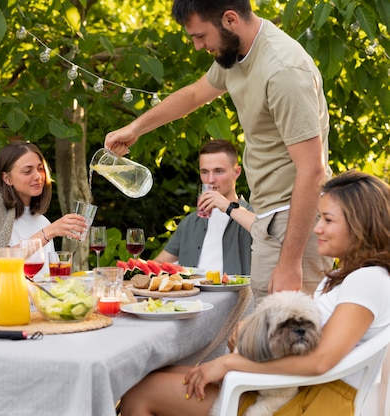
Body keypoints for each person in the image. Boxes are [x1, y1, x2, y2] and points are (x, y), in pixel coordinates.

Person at [105, 0, 333, 302]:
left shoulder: (283, 70)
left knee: (287, 341)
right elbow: (195, 94)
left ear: (230, 19)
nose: (199, 46)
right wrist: (135, 129)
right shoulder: (236, 55)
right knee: (266, 338)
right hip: (269, 216)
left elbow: (312, 169)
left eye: (201, 36)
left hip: (293, 222)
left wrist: (290, 262)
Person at [119, 170, 390, 416]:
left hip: (307, 401)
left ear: (361, 225)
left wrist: (228, 363)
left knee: (139, 393)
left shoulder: (368, 280)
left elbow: (320, 361)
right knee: (153, 374)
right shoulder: (349, 277)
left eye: (328, 220)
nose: (317, 228)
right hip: (291, 387)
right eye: (320, 219)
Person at [0, 141, 87, 293]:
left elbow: (51, 280)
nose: (38, 176)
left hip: (40, 307)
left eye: (40, 169)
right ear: (7, 178)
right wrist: (49, 232)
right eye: (27, 171)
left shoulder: (42, 220)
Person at [153, 139, 253, 275]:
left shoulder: (251, 214)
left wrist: (227, 206)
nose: (210, 179)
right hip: (191, 294)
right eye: (204, 172)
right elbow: (158, 264)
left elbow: (265, 230)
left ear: (236, 172)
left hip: (238, 295)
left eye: (218, 171)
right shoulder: (189, 223)